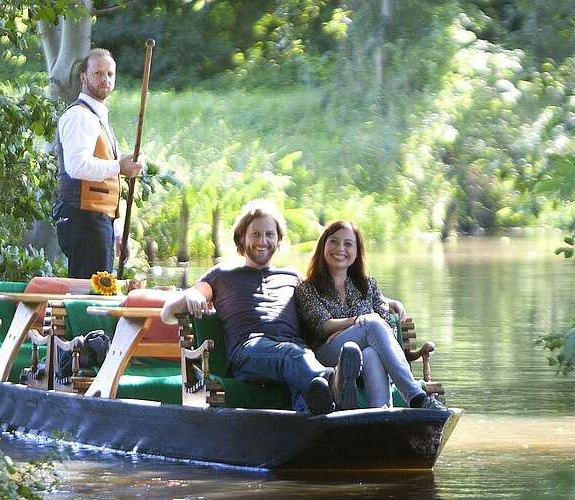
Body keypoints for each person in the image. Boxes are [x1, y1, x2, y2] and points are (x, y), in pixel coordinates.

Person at [161, 201, 360, 415]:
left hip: (296, 351)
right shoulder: (222, 275)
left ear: (278, 240)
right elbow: (167, 313)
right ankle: (333, 382)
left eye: (269, 234)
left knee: (308, 387)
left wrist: (385, 303)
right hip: (249, 352)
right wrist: (191, 294)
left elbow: (329, 301)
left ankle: (322, 423)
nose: (262, 241)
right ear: (242, 238)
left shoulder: (293, 277)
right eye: (255, 234)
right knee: (292, 355)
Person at [295, 221, 445, 410]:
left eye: (348, 244)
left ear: (357, 251)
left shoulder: (368, 286)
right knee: (371, 324)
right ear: (323, 246)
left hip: (365, 353)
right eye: (333, 241)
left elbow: (386, 326)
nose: (340, 248)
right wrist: (357, 324)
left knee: (371, 351)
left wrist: (357, 328)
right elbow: (323, 327)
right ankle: (416, 397)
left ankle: (380, 414)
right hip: (328, 354)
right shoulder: (307, 288)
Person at [53, 47, 145, 278]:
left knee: (98, 291)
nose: (105, 79)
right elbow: (77, 167)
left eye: (110, 74)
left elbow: (107, 182)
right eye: (98, 73)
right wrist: (119, 166)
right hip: (84, 220)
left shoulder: (97, 117)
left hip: (96, 222)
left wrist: (116, 232)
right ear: (84, 77)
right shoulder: (80, 116)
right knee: (90, 296)